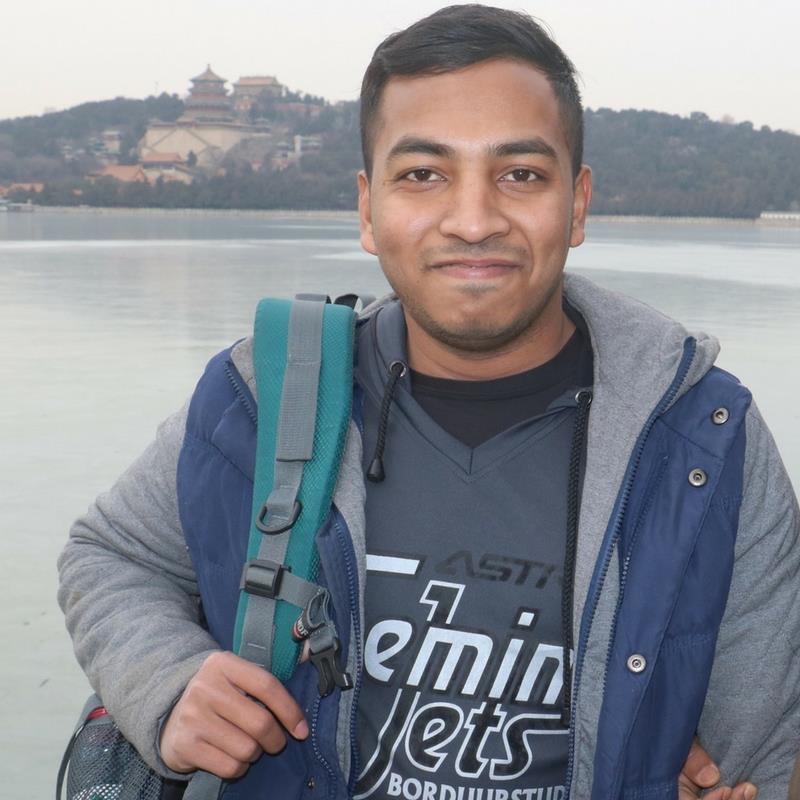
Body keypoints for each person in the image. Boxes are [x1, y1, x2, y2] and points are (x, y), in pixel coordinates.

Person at [58, 5, 799, 799]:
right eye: (422, 175)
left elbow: (759, 755)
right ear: (367, 209)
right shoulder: (265, 397)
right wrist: (167, 678)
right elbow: (110, 555)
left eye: (521, 174)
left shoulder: (699, 437)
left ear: (578, 204)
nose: (473, 221)